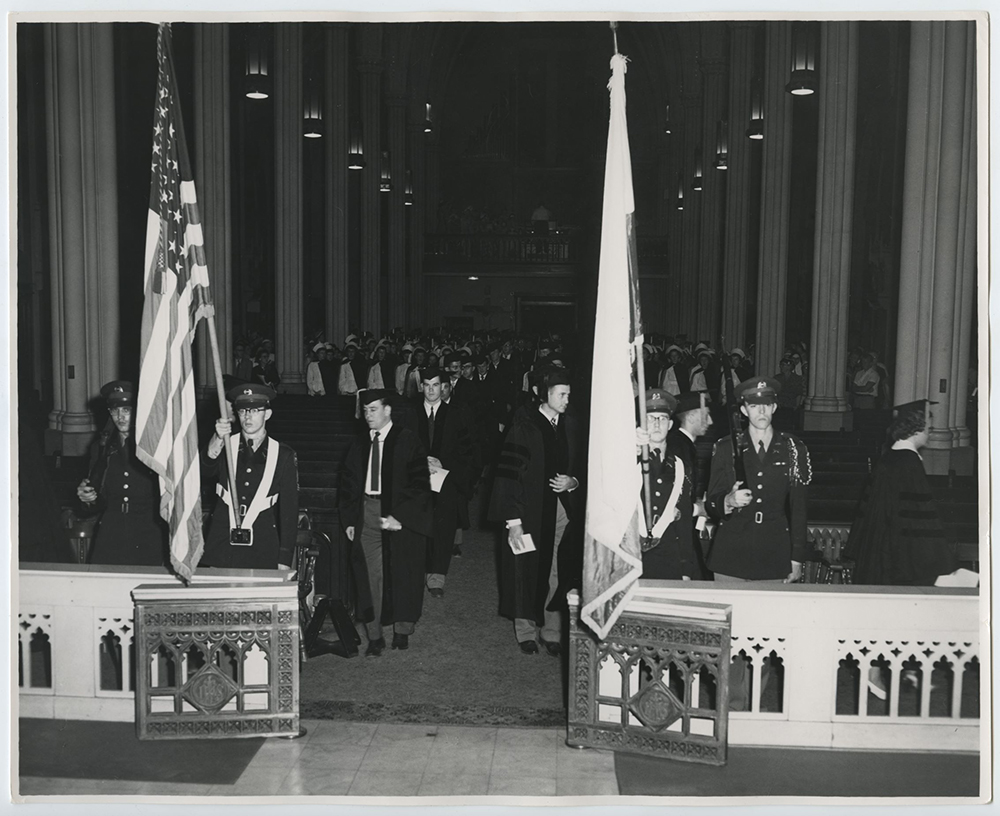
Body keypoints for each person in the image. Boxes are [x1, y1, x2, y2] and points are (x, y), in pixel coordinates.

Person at [488, 366, 583, 656]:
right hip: (528, 513)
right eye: (562, 394)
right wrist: (513, 521)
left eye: (568, 393)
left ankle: (551, 630)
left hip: (562, 511)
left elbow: (582, 465)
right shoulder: (524, 425)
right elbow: (508, 475)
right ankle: (526, 631)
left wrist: (574, 481)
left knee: (558, 569)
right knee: (524, 570)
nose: (567, 399)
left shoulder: (572, 424)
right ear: (546, 394)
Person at [338, 389, 433, 654]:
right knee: (370, 577)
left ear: (388, 410)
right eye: (365, 410)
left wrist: (401, 516)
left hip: (398, 515)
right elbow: (347, 485)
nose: (368, 415)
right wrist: (349, 518)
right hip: (366, 512)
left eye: (374, 409)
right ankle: (375, 635)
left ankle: (402, 630)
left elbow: (420, 484)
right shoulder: (358, 444)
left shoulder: (408, 440)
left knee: (404, 572)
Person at [706, 377, 812, 582]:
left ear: (774, 407)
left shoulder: (793, 449)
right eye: (754, 406)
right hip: (731, 551)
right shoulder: (726, 447)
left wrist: (797, 558)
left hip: (774, 552)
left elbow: (799, 508)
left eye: (766, 406)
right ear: (744, 411)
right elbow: (712, 501)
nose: (761, 412)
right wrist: (727, 501)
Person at [844, 400, 958, 586]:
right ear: (916, 428)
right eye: (929, 427)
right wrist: (939, 558)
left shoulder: (888, 458)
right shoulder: (909, 464)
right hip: (899, 559)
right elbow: (917, 518)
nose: (930, 432)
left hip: (876, 552)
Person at [201, 383, 299, 570]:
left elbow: (289, 510)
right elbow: (205, 472)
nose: (248, 416)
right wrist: (216, 439)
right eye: (243, 411)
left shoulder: (283, 454)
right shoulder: (225, 445)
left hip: (262, 546)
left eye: (255, 410)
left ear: (267, 414)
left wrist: (284, 559)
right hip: (222, 545)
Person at [76, 380, 168, 567]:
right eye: (115, 410)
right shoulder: (102, 448)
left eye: (126, 410)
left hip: (148, 532)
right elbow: (98, 498)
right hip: (112, 532)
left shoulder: (154, 448)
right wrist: (87, 498)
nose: (120, 416)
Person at [417, 368, 475, 597]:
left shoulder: (457, 414)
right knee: (420, 527)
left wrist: (443, 462)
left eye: (436, 385)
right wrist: (421, 460)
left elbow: (468, 452)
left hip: (448, 479)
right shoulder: (411, 414)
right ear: (421, 386)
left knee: (443, 530)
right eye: (427, 385)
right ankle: (419, 571)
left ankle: (436, 578)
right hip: (418, 480)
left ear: (443, 387)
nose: (432, 390)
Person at [634, 390, 701, 580]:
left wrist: (686, 568)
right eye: (650, 418)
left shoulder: (680, 466)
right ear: (640, 425)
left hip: (668, 556)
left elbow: (685, 519)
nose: (656, 424)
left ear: (670, 425)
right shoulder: (628, 460)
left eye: (662, 419)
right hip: (631, 556)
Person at [670, 390, 715, 572]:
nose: (710, 421)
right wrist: (698, 509)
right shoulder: (679, 447)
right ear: (692, 416)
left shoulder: (684, 444)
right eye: (706, 416)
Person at [773, 356, 805, 431]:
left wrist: (796, 405)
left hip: (791, 405)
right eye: (782, 365)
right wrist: (776, 402)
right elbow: (773, 392)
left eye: (786, 365)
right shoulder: (777, 378)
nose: (783, 367)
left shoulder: (797, 378)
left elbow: (798, 392)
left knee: (789, 426)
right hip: (779, 405)